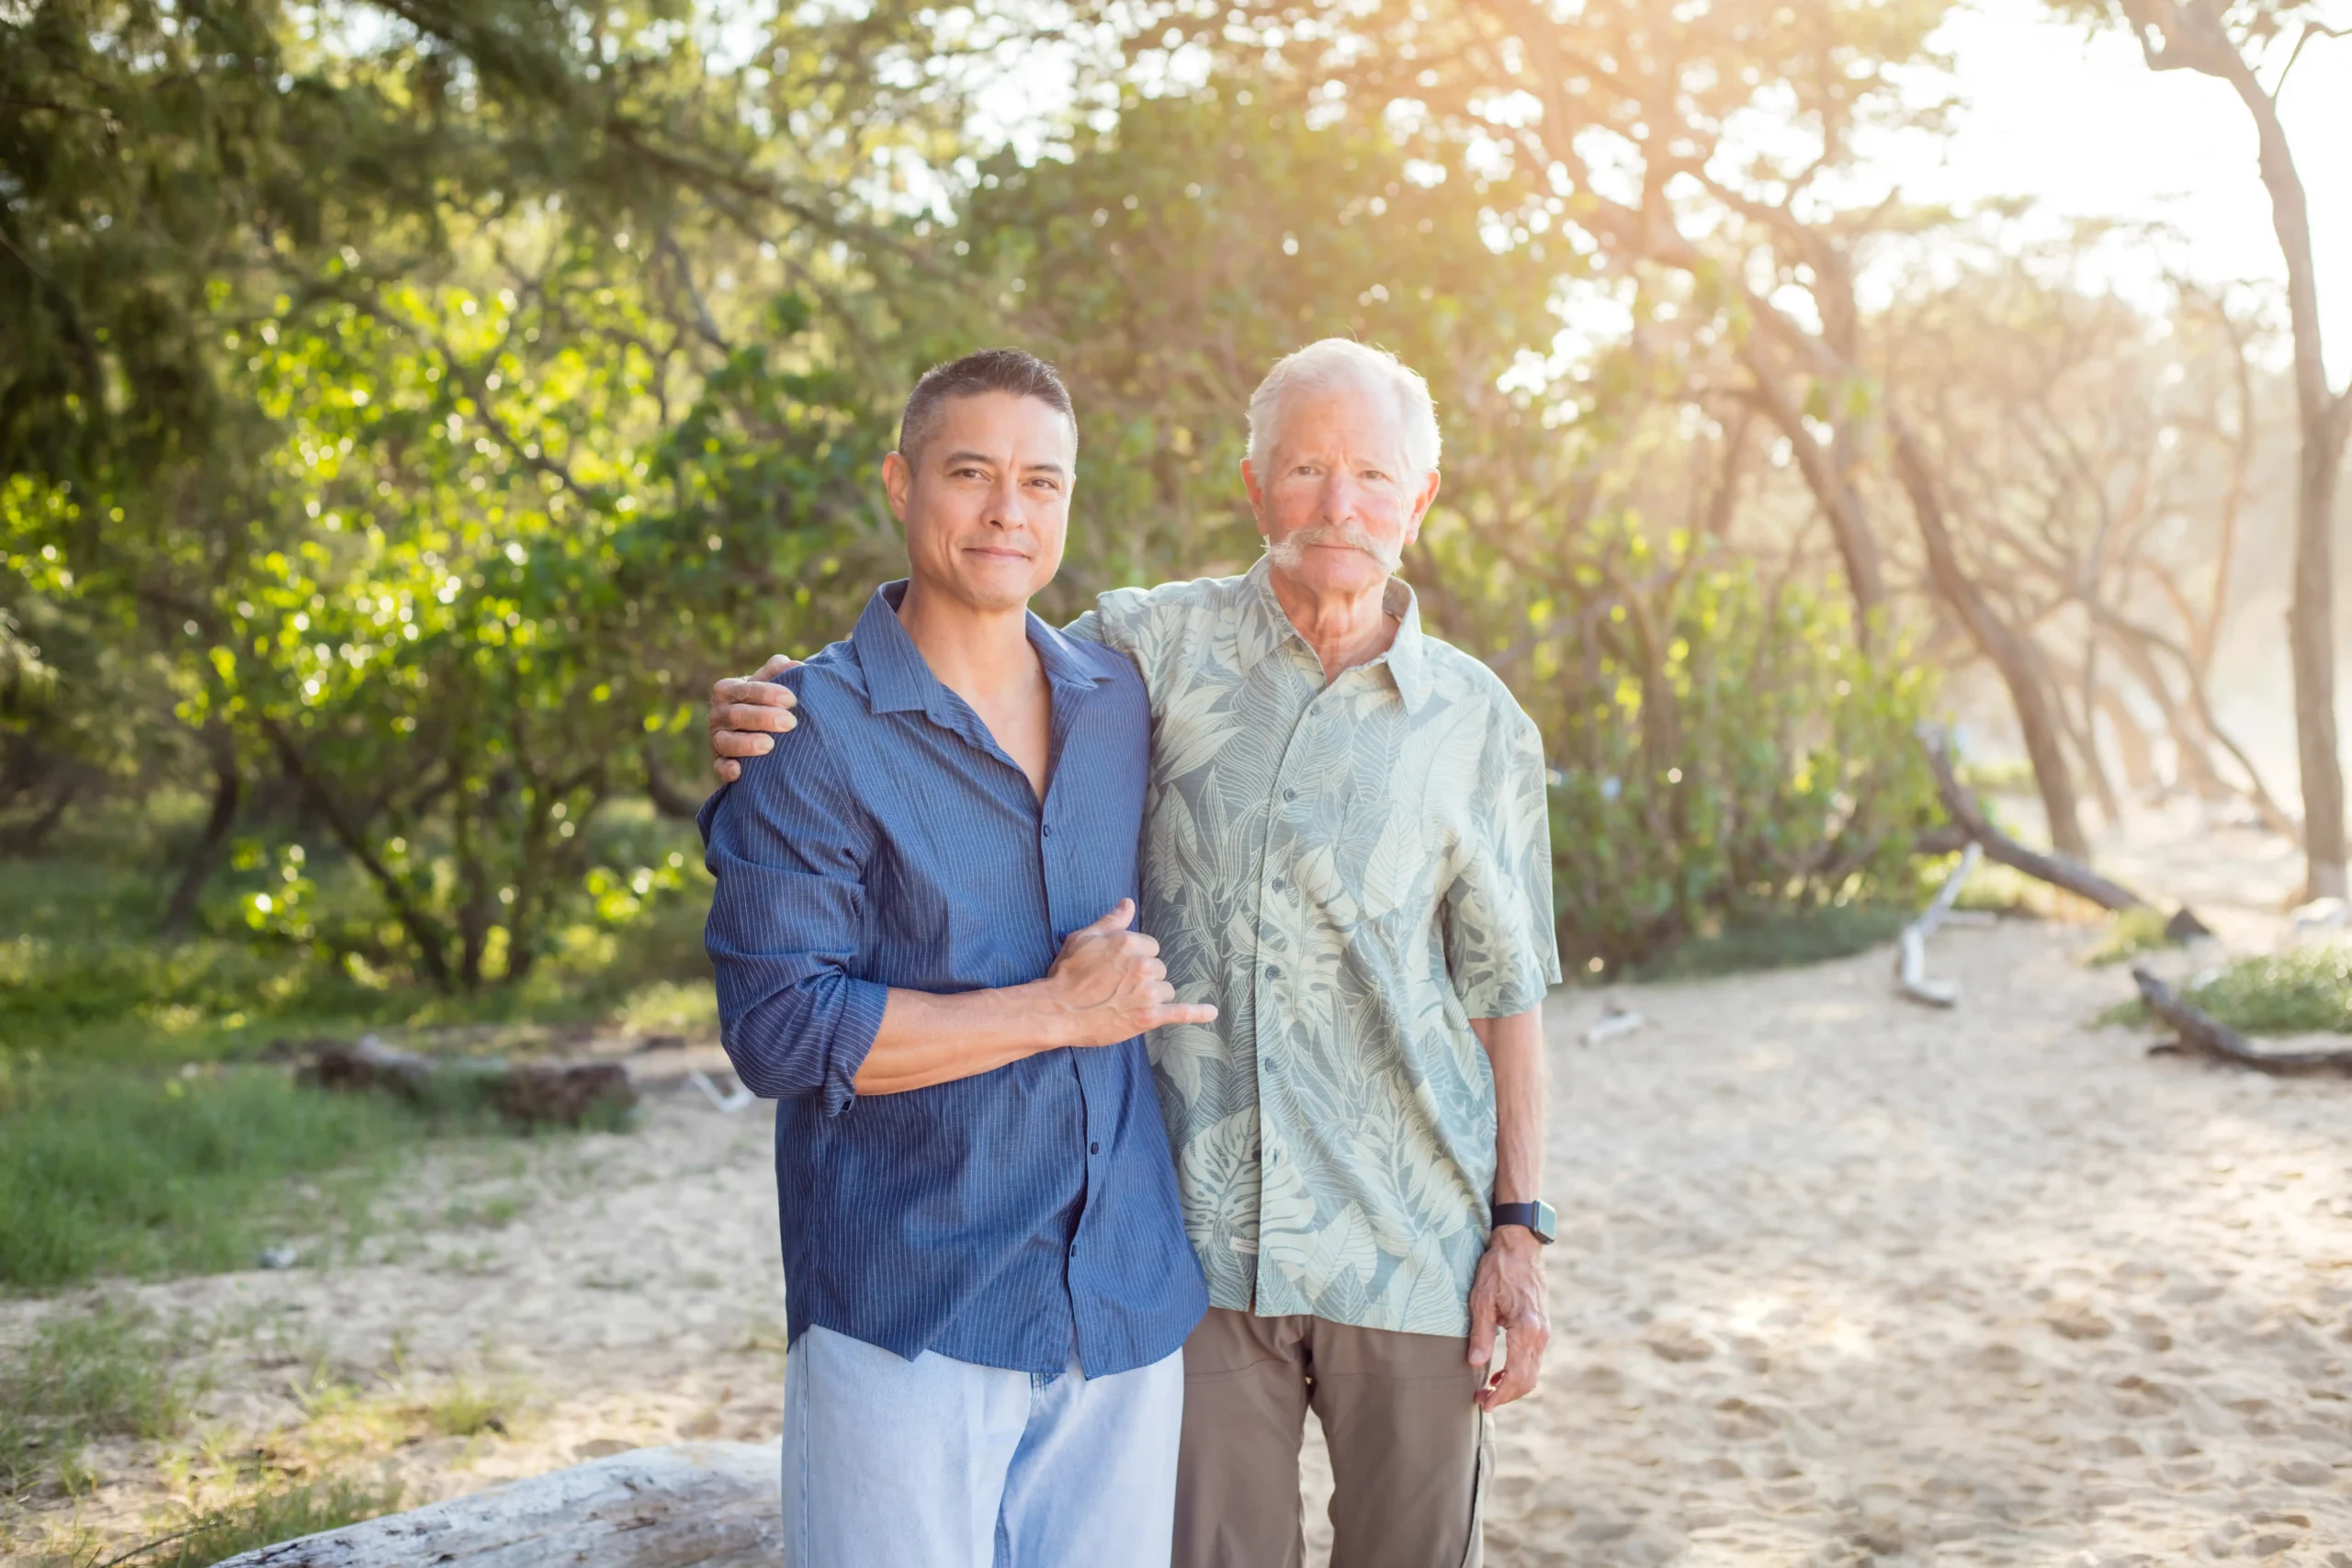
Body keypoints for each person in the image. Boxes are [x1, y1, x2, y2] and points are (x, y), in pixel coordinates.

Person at [710, 339, 1560, 1568]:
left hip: (1317, 1262)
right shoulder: (1146, 654)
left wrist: (1520, 1231)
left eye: (1374, 475)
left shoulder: (1450, 719)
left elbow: (1508, 988)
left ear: (1419, 499)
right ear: (1253, 487)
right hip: (1087, 1276)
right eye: (1308, 468)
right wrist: (783, 705)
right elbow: (784, 1022)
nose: (1340, 504)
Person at [699, 348, 1213, 1568]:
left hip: (1119, 1302)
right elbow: (781, 1030)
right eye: (971, 472)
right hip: (908, 1312)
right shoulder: (807, 731)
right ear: (899, 480)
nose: (1008, 513)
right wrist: (1057, 1011)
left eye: (1042, 482)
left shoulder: (1119, 704)